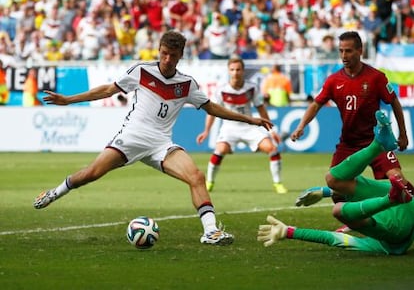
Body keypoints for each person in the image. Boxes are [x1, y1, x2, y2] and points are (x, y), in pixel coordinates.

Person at [33, 31, 274, 245]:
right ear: (159, 51)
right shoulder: (141, 71)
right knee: (92, 173)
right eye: (164, 53)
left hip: (161, 143)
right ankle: (54, 192)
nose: (167, 60)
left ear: (181, 56)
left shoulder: (187, 84)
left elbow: (212, 108)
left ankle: (210, 232)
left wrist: (250, 120)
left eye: (173, 55)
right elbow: (107, 90)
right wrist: (68, 99)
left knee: (196, 176)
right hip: (132, 137)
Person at [258, 111, 414, 255]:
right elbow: (333, 238)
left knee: (335, 191)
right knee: (335, 192)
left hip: (400, 214)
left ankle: (378, 149)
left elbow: (333, 238)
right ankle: (378, 146)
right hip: (403, 206)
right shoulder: (370, 228)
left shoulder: (377, 243)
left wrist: (288, 231)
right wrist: (290, 232)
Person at [291, 31, 408, 207]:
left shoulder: (376, 77)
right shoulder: (333, 80)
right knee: (337, 192)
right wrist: (301, 126)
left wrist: (403, 134)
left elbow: (395, 103)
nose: (344, 56)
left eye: (349, 51)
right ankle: (354, 223)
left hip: (376, 142)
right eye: (341, 51)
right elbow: (316, 105)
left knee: (397, 179)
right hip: (348, 143)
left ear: (360, 51)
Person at [196, 57, 287, 194]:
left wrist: (272, 130)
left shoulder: (251, 88)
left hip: (249, 126)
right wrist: (206, 131)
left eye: (238, 69)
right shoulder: (221, 90)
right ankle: (210, 182)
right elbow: (212, 111)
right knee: (219, 151)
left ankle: (278, 183)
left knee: (272, 148)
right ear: (228, 71)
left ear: (243, 71)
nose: (235, 72)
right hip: (229, 127)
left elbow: (261, 108)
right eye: (232, 70)